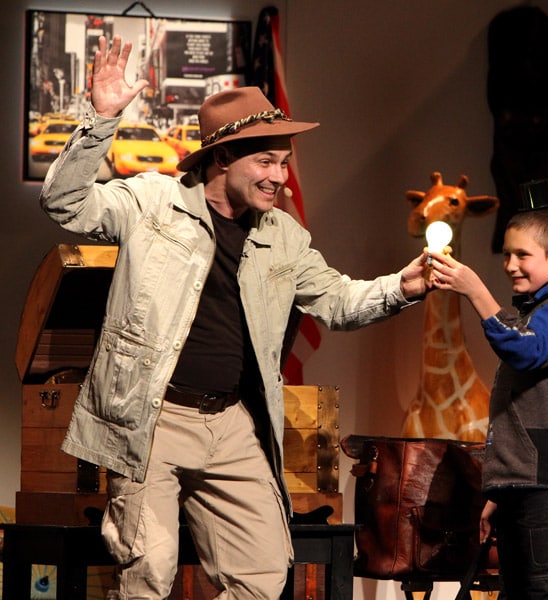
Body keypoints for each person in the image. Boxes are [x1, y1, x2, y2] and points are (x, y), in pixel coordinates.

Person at [40, 35, 432, 599]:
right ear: (222, 157)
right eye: (266, 162)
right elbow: (66, 203)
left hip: (230, 423)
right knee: (149, 571)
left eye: (284, 164)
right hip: (152, 417)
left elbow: (337, 300)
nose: (280, 177)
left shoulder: (283, 235)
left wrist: (403, 286)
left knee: (263, 575)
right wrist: (100, 120)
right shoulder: (153, 203)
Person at [428, 179, 548, 599]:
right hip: (526, 488)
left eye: (522, 255)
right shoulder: (534, 315)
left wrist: (475, 291)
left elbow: (525, 350)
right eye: (506, 255)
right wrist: (501, 490)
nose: (510, 265)